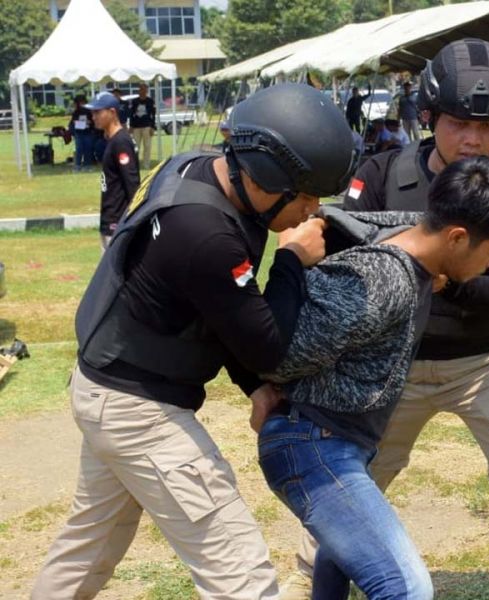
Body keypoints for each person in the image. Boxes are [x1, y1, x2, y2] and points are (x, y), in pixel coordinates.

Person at [283, 39, 489, 600]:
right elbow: (342, 267)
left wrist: (422, 268)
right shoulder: (380, 174)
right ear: (429, 118)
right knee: (345, 494)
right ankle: (312, 586)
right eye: (458, 123)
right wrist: (445, 269)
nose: (474, 138)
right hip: (391, 367)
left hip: (486, 363)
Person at [32, 83, 358, 600]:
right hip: (138, 409)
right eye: (304, 196)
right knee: (240, 572)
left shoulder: (196, 170)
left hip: (103, 387)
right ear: (265, 177)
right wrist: (293, 262)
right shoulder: (205, 231)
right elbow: (264, 345)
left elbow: (219, 309)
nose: (311, 210)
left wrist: (252, 386)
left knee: (88, 549)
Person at [259, 156, 489, 600]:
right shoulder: (384, 278)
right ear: (458, 238)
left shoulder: (418, 243)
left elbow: (395, 221)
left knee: (339, 561)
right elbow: (278, 356)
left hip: (337, 443)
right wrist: (289, 261)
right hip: (314, 447)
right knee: (406, 588)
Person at [87, 91, 140, 251]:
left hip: (117, 221)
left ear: (112, 112)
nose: (93, 117)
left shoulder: (121, 142)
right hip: (109, 217)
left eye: (97, 112)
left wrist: (134, 220)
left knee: (114, 273)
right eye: (92, 113)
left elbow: (132, 184)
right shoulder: (111, 140)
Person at [129, 82, 157, 170]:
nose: (143, 91)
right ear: (139, 90)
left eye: (145, 89)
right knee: (135, 147)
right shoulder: (134, 101)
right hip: (136, 127)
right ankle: (135, 165)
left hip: (147, 126)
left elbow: (153, 115)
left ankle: (146, 165)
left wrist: (152, 127)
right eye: (141, 89)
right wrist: (131, 126)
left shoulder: (150, 101)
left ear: (147, 91)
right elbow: (131, 114)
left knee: (147, 147)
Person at [68, 94, 95, 172]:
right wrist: (76, 122)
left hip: (88, 132)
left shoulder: (89, 110)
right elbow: (73, 122)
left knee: (88, 149)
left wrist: (89, 122)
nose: (81, 104)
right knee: (79, 149)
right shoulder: (76, 112)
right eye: (79, 103)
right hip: (79, 132)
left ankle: (87, 165)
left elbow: (93, 121)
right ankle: (77, 165)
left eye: (82, 102)